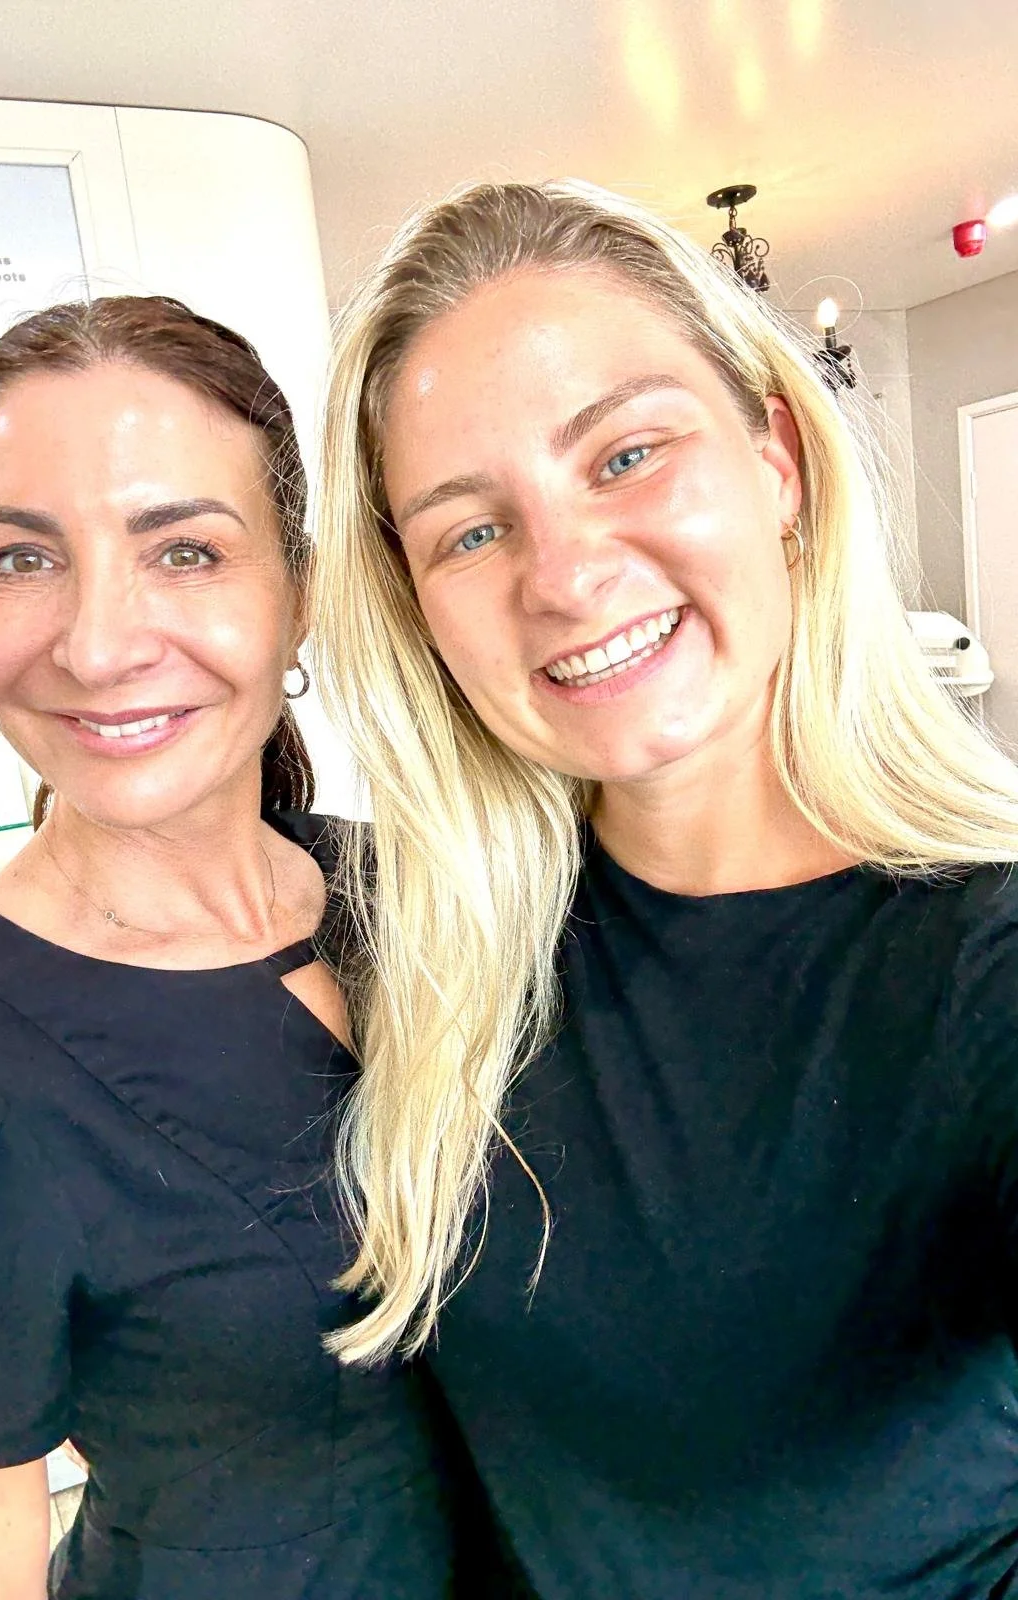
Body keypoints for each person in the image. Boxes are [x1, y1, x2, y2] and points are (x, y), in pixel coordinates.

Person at [310, 180, 1018, 1598]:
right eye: (469, 531)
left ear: (779, 464)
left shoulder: (984, 970)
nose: (565, 576)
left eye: (626, 454)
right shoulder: (419, 951)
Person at [0, 296, 471, 1600]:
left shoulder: (425, 895)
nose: (100, 644)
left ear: (299, 592)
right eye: (19, 558)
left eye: (184, 550)